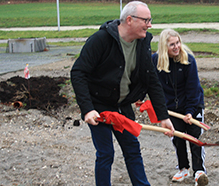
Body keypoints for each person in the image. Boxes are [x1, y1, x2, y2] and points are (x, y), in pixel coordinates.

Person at [70, 1, 175, 186]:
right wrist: (87, 109)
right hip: (99, 106)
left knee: (132, 149)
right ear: (129, 20)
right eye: (146, 20)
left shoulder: (142, 44)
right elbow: (78, 72)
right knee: (105, 154)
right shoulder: (101, 40)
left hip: (122, 106)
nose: (150, 24)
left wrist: (163, 116)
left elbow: (151, 80)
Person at [151, 29, 208, 186]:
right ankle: (183, 168)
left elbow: (193, 89)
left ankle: (199, 171)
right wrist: (140, 97)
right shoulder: (155, 61)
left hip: (193, 104)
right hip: (171, 108)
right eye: (172, 44)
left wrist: (190, 111)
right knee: (178, 137)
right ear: (164, 47)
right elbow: (150, 83)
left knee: (195, 138)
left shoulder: (188, 60)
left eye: (178, 43)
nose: (176, 47)